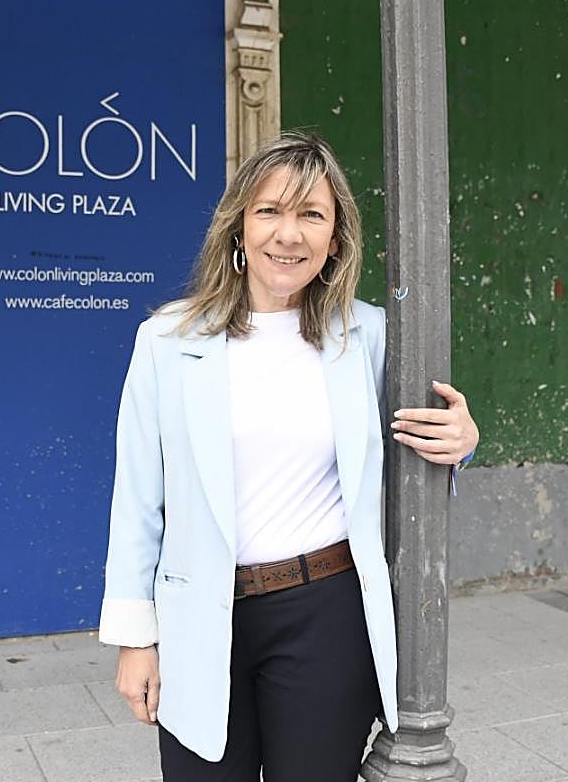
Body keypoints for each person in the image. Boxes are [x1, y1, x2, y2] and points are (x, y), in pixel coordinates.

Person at [97, 130, 479, 781]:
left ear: (335, 239)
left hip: (324, 614)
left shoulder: (374, 337)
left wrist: (464, 442)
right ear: (239, 227)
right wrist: (136, 639)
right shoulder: (166, 340)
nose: (288, 234)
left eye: (311, 214)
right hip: (199, 616)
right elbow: (138, 500)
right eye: (270, 210)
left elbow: (425, 444)